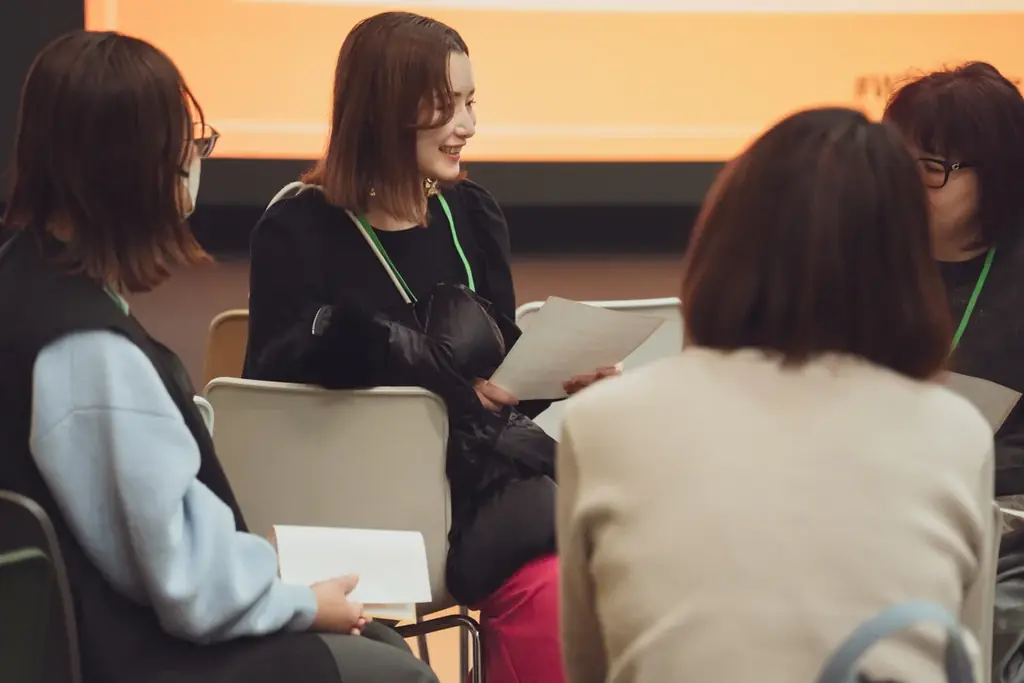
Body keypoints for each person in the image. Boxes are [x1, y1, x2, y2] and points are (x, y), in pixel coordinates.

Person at [0, 30, 437, 683]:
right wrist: (300, 600)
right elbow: (184, 580)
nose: (195, 161)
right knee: (393, 666)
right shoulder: (89, 350)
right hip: (134, 654)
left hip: (88, 635)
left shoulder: (25, 280)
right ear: (137, 166)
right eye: (189, 145)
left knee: (376, 645)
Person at [556, 108, 996, 683]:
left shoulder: (600, 421)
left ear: (723, 236)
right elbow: (967, 660)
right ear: (905, 262)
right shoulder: (955, 431)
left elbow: (593, 666)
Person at [243, 11, 612, 682]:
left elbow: (498, 385)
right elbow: (278, 382)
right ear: (384, 109)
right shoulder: (298, 227)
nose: (468, 125)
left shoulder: (472, 213)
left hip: (478, 492)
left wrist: (557, 378)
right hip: (359, 507)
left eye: (472, 103)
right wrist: (411, 362)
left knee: (579, 567)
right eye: (448, 106)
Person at [884, 62, 1024, 683]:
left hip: (1001, 522)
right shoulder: (853, 255)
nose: (905, 186)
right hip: (871, 503)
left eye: (932, 168)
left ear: (997, 176)